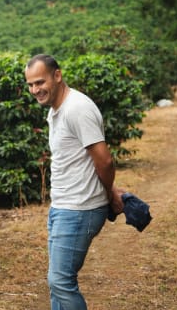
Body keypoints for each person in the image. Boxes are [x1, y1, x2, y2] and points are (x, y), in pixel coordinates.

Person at [24, 54, 124, 310]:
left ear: (57, 76)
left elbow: (104, 161)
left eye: (40, 82)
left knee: (60, 281)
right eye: (30, 85)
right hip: (63, 206)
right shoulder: (56, 110)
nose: (35, 90)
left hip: (80, 209)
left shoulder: (77, 108)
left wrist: (108, 194)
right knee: (57, 284)